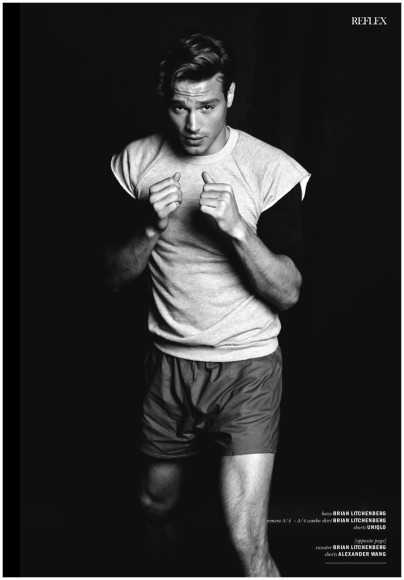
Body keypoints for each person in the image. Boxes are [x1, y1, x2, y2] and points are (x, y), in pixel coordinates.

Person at [105, 32, 310, 577]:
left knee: (246, 542)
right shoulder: (135, 162)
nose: (193, 124)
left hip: (247, 369)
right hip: (168, 367)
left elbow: (288, 292)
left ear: (231, 96)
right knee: (154, 508)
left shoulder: (270, 169)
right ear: (165, 101)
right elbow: (110, 278)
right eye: (180, 107)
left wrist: (239, 229)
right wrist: (150, 228)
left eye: (208, 106)